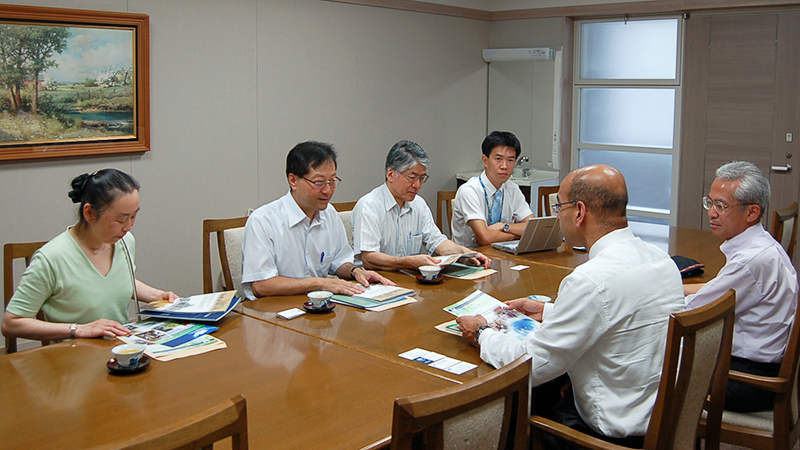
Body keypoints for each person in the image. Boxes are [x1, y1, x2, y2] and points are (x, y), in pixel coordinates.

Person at [456, 165, 684, 448]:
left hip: (612, 430)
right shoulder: (660, 259)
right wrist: (548, 312)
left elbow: (532, 366)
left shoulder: (590, 280)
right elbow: (619, 317)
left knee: (525, 399)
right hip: (662, 415)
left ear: (579, 212)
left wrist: (482, 333)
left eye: (558, 206)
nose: (556, 215)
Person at [1, 169, 179, 342]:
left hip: (120, 350)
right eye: (120, 219)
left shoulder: (125, 241)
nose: (128, 227)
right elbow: (11, 323)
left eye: (133, 217)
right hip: (74, 358)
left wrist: (156, 295)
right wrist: (79, 329)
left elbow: (114, 282)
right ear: (89, 213)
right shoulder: (51, 258)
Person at [684, 161, 798, 412]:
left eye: (721, 206)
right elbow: (713, 290)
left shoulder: (750, 261)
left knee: (653, 367)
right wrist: (671, 285)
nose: (712, 213)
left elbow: (692, 313)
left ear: (751, 213)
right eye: (710, 202)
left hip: (750, 379)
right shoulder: (760, 245)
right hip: (758, 364)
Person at [241, 141, 393, 299]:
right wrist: (320, 283)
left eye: (332, 181)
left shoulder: (329, 214)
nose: (327, 191)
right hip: (272, 313)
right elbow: (261, 286)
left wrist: (356, 272)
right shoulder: (263, 220)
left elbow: (339, 260)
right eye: (319, 182)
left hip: (318, 309)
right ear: (293, 181)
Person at [352, 140, 491, 271]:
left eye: (422, 178)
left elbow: (438, 242)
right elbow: (368, 258)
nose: (417, 185)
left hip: (410, 282)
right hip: (374, 285)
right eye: (412, 177)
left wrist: (466, 254)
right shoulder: (369, 206)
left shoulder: (418, 204)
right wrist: (408, 262)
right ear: (390, 174)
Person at [451, 131, 535, 248]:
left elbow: (532, 228)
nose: (504, 166)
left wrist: (504, 226)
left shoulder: (512, 189)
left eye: (510, 160)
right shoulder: (470, 190)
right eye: (498, 159)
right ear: (485, 160)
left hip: (503, 255)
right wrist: (517, 235)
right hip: (470, 258)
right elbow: (485, 238)